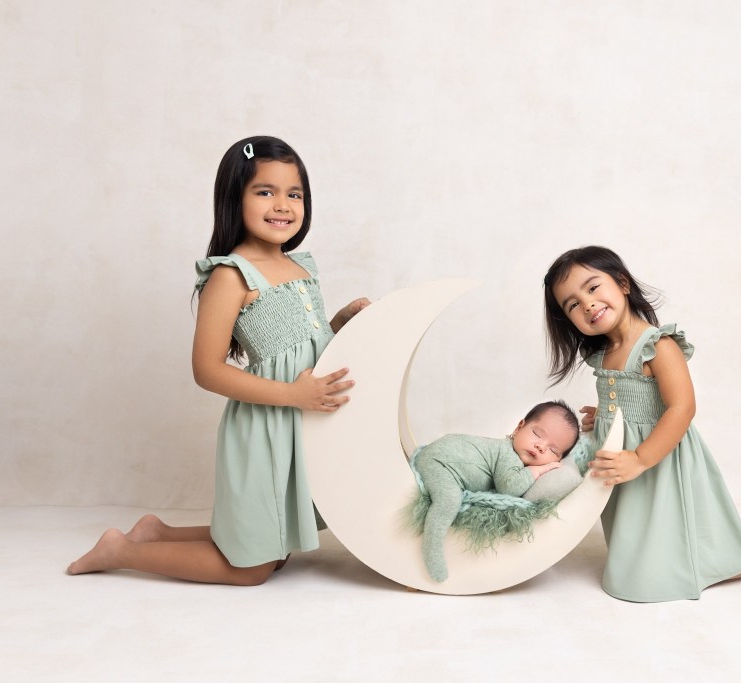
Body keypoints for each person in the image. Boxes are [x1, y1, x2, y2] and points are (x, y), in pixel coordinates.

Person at [67, 136, 369, 585]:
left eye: (294, 194)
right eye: (265, 191)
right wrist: (293, 394)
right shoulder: (231, 276)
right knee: (251, 570)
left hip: (298, 421)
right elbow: (206, 370)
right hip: (266, 426)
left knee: (275, 547)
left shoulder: (302, 268)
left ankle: (157, 533)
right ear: (234, 198)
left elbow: (302, 343)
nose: (282, 205)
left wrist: (339, 323)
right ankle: (121, 550)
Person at [543, 246, 741, 602]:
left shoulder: (658, 346)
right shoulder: (604, 354)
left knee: (671, 518)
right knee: (637, 523)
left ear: (623, 284)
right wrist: (608, 414)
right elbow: (635, 397)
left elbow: (681, 408)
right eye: (572, 304)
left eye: (593, 288)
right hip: (625, 456)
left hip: (658, 454)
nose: (587, 304)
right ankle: (645, 566)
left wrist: (641, 458)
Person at [413, 400, 579, 582]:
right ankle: (431, 547)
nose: (541, 446)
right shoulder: (508, 454)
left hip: (443, 458)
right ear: (519, 427)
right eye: (537, 434)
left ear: (559, 460)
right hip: (440, 463)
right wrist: (536, 471)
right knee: (449, 500)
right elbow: (509, 488)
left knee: (450, 497)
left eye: (552, 450)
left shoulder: (514, 456)